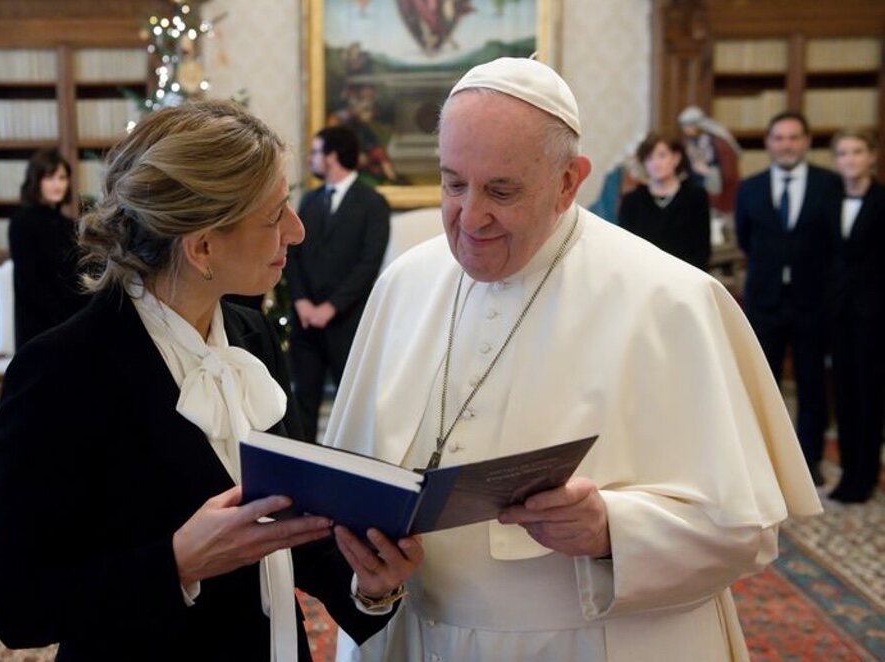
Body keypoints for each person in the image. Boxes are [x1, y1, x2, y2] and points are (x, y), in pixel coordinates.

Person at [328, 57, 821, 661]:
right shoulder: (404, 285)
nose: (471, 216)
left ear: (568, 181)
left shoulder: (671, 300)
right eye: (453, 183)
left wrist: (612, 530)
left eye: (501, 190)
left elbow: (747, 529)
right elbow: (348, 491)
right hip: (418, 638)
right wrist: (371, 578)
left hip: (592, 644)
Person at [0, 101, 423, 661]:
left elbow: (287, 525)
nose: (297, 230)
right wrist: (177, 563)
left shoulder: (252, 335)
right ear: (203, 246)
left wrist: (369, 584)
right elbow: (20, 608)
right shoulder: (60, 372)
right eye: (275, 215)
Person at [735, 111, 843, 486]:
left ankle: (808, 462)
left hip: (812, 302)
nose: (786, 145)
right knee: (764, 388)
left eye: (794, 138)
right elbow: (746, 239)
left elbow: (834, 243)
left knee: (813, 386)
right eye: (779, 138)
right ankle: (764, 465)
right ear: (768, 143)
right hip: (765, 302)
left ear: (807, 141)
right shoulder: (750, 187)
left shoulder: (829, 185)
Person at [285, 126, 390, 442]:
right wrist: (302, 302)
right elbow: (293, 255)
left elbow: (368, 265)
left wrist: (330, 308)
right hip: (305, 324)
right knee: (302, 406)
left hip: (347, 323)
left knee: (352, 410)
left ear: (331, 157)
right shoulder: (310, 200)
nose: (311, 159)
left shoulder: (372, 203)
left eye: (316, 152)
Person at [826, 129, 884, 503]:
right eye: (842, 153)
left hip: (875, 315)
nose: (850, 159)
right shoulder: (828, 201)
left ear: (872, 156)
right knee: (843, 394)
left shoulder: (882, 202)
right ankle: (849, 473)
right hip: (837, 314)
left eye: (857, 152)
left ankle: (865, 476)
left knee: (870, 396)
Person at [8, 149, 89, 347]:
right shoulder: (22, 222)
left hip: (71, 320)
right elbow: (30, 283)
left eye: (62, 178)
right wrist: (67, 320)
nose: (57, 184)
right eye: (49, 177)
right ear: (36, 181)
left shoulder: (69, 224)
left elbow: (76, 275)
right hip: (40, 326)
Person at [619, 131, 711, 270]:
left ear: (676, 158)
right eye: (649, 158)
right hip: (643, 277)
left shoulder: (695, 197)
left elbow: (702, 250)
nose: (655, 163)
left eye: (662, 156)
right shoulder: (632, 201)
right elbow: (625, 250)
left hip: (685, 279)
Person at [678, 105, 741, 219]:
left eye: (687, 125)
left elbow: (726, 169)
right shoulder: (689, 141)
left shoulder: (716, 141)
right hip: (694, 179)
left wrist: (706, 169)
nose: (685, 129)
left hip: (712, 178)